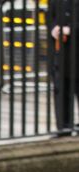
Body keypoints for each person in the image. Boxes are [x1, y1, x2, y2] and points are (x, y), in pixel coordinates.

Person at [49, 0, 79, 136]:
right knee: (61, 88)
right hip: (61, 51)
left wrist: (71, 29)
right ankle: (63, 127)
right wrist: (54, 28)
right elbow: (51, 17)